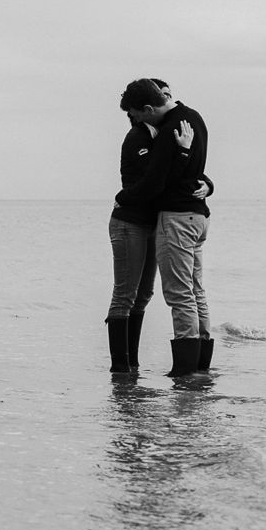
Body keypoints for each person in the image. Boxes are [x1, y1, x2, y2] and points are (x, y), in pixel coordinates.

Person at [106, 79, 211, 374]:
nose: (134, 119)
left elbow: (168, 176)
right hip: (131, 222)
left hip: (159, 221)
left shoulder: (170, 128)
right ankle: (122, 368)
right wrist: (122, 197)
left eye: (137, 113)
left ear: (149, 107)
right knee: (127, 295)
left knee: (148, 295)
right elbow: (154, 180)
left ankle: (140, 367)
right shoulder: (140, 136)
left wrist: (206, 181)